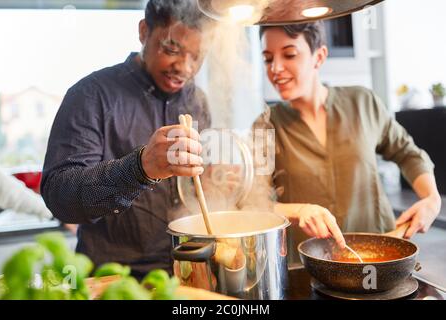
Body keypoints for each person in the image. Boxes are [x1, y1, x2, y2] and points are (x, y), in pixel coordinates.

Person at [41, 0, 214, 278]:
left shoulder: (197, 101)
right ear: (144, 31)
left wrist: (219, 180)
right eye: (172, 49)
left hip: (184, 275)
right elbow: (60, 196)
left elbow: (195, 188)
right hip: (112, 279)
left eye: (198, 56)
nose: (185, 67)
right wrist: (140, 168)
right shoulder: (92, 95)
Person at [258, 22, 441, 258]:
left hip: (380, 257)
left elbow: (407, 153)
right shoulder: (266, 126)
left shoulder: (362, 102)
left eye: (289, 54)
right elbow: (256, 204)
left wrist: (432, 199)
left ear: (319, 56)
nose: (276, 68)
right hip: (311, 266)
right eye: (267, 58)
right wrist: (300, 210)